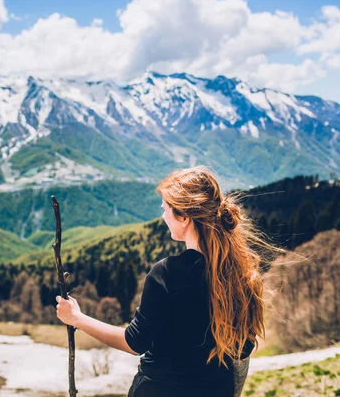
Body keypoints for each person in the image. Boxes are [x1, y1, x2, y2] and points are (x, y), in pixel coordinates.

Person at [56, 165, 289, 396]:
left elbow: (134, 342)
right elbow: (243, 351)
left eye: (165, 208)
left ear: (184, 217)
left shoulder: (167, 274)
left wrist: (77, 318)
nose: (163, 215)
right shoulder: (241, 275)